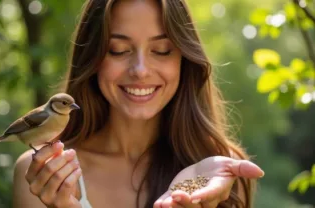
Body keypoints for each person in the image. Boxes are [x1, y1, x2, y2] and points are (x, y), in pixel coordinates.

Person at [13, 0, 265, 207]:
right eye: (119, 50)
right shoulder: (45, 172)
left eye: (162, 50)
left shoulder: (218, 174)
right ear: (93, 59)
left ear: (184, 61)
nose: (140, 71)